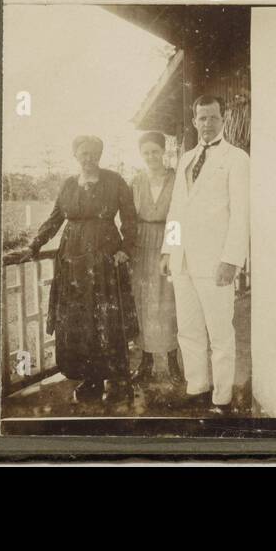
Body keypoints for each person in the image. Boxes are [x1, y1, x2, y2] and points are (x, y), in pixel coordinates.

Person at [20, 136, 138, 404]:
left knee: (108, 319)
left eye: (93, 152)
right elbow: (55, 218)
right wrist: (35, 244)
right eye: (83, 153)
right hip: (73, 264)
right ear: (75, 155)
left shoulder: (114, 180)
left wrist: (125, 249)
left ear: (100, 154)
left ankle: (119, 380)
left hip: (104, 262)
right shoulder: (69, 184)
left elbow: (130, 218)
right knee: (82, 322)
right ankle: (92, 379)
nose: (88, 157)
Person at [161, 96, 249, 413]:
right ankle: (197, 386)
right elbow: (175, 208)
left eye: (213, 117)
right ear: (194, 120)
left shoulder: (236, 159)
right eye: (202, 118)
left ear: (223, 119)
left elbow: (241, 214)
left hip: (215, 262)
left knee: (220, 332)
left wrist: (231, 260)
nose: (208, 123)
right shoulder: (186, 159)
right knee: (189, 328)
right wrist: (167, 249)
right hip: (182, 259)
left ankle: (222, 399)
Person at [129, 132, 180, 383]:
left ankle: (173, 362)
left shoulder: (176, 178)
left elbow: (179, 216)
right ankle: (146, 362)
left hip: (168, 240)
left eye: (155, 151)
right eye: (146, 152)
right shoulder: (137, 181)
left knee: (169, 302)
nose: (151, 156)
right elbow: (128, 217)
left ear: (164, 151)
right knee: (145, 302)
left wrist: (170, 250)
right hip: (142, 245)